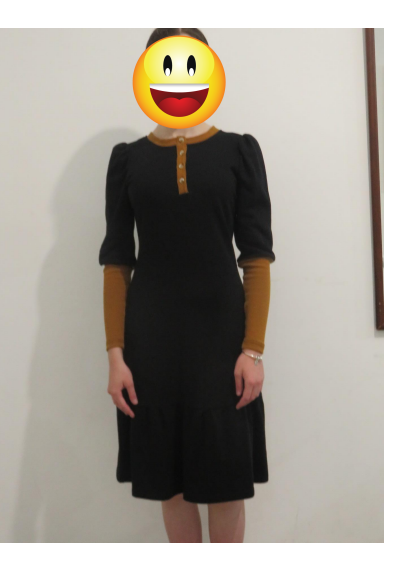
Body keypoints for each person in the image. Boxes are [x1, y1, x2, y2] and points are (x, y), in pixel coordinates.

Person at [98, 28, 275, 543]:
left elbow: (257, 258)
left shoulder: (238, 152)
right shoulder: (129, 160)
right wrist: (115, 356)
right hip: (150, 345)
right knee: (170, 487)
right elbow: (116, 262)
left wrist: (253, 350)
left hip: (222, 345)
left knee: (226, 486)